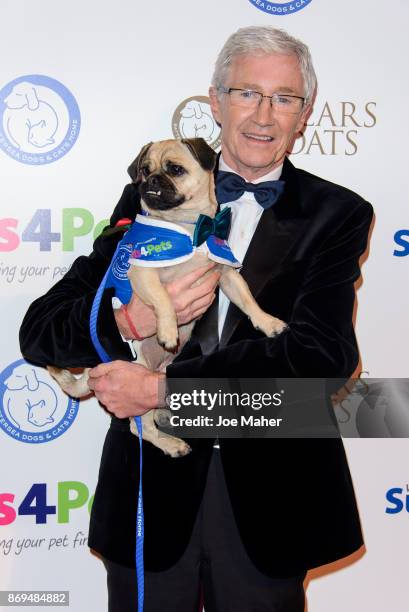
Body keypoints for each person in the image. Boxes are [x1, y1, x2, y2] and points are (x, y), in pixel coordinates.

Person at [19, 26, 373, 612]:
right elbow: (41, 330)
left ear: (305, 112)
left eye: (284, 97)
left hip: (271, 502)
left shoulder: (337, 213)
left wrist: (163, 389)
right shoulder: (144, 202)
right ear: (214, 101)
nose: (264, 114)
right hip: (148, 503)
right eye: (246, 93)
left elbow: (323, 358)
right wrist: (128, 323)